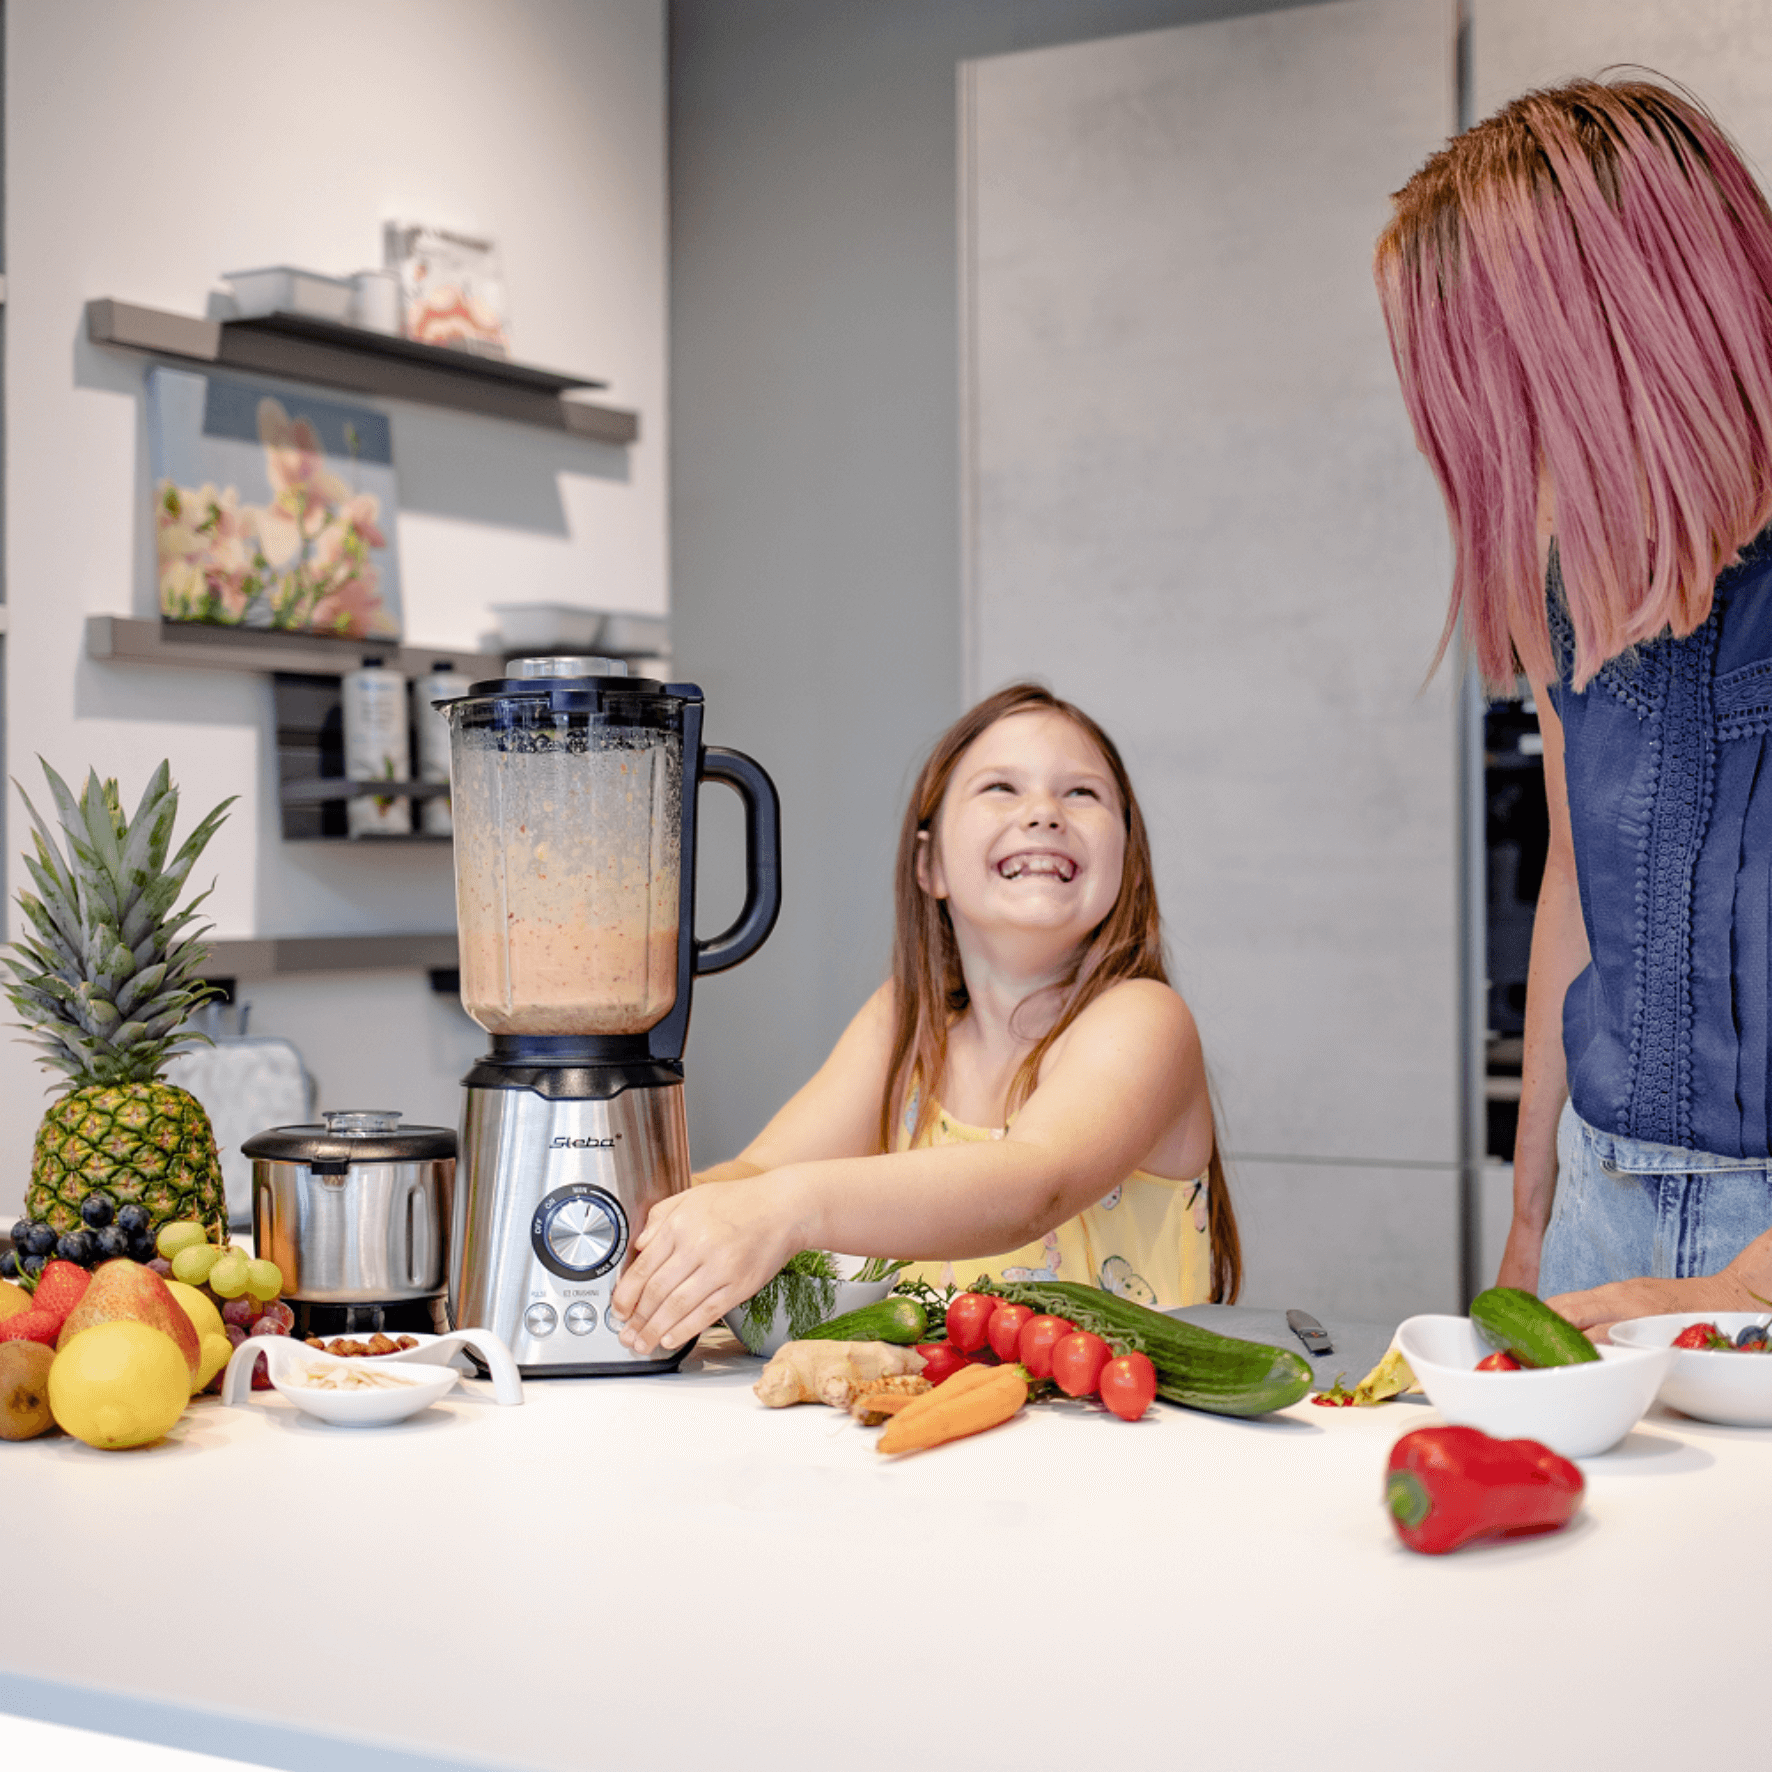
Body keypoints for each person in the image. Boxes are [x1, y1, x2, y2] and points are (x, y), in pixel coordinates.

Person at [1374, 76, 1772, 1327]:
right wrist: (1531, 1223)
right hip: (1603, 1189)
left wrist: (1740, 1288)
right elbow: (1570, 884)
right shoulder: (1573, 598)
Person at [610, 682, 1240, 1355]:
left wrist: (784, 1212)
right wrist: (658, 1222)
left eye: (1082, 793)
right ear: (929, 862)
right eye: (1001, 787)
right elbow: (760, 1172)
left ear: (1128, 857)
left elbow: (1034, 1183)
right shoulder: (910, 1025)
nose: (1044, 813)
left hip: (1129, 1446)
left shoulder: (1144, 1018)